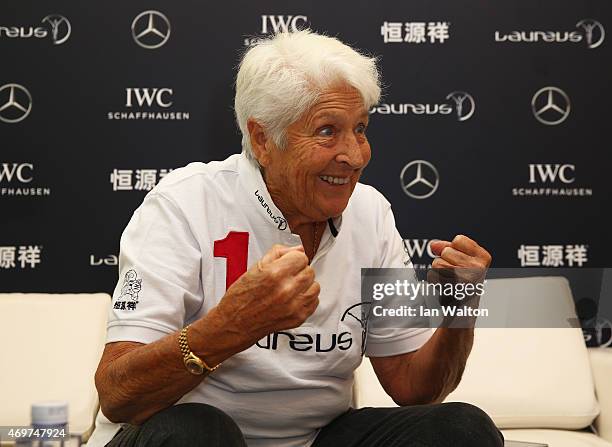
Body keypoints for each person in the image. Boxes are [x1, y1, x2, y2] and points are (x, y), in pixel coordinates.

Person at [88, 30, 501, 447]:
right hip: (194, 433)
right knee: (195, 434)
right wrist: (234, 325)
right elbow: (118, 395)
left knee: (462, 429)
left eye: (360, 129)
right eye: (327, 131)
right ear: (263, 139)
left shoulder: (370, 212)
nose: (355, 156)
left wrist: (458, 314)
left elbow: (413, 389)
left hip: (316, 438)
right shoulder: (185, 203)